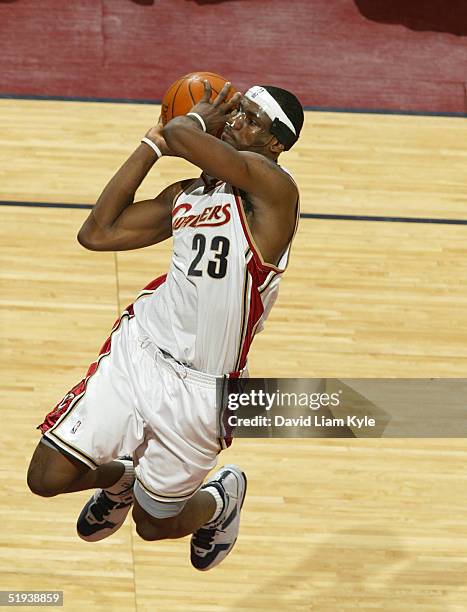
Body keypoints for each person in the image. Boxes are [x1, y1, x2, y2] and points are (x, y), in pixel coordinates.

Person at [27, 80, 304, 570]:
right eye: (236, 112)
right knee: (45, 478)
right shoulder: (189, 194)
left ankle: (221, 501)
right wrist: (151, 144)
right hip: (141, 352)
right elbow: (97, 233)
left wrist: (185, 124)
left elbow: (183, 130)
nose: (236, 121)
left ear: (276, 143)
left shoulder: (274, 190)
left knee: (155, 526)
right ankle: (119, 480)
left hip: (201, 389)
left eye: (250, 119)